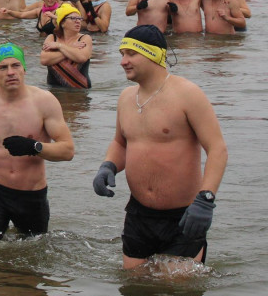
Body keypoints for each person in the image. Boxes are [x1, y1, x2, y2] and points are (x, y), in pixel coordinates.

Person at [93, 25, 227, 269]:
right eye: (122, 54)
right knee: (135, 293)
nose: (123, 62)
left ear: (153, 54)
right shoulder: (126, 97)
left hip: (184, 216)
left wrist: (206, 200)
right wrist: (108, 165)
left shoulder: (188, 94)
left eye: (131, 54)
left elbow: (217, 148)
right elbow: (120, 142)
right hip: (139, 214)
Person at [0, 43, 75, 239]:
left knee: (31, 259)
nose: (10, 72)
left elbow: (67, 150)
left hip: (31, 195)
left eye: (16, 65)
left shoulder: (44, 101)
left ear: (24, 69)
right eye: (3, 67)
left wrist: (34, 147)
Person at [40, 4, 93, 90]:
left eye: (79, 18)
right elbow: (44, 60)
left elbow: (81, 57)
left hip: (80, 91)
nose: (78, 21)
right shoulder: (51, 38)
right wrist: (70, 47)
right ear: (62, 23)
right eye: (73, 18)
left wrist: (59, 46)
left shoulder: (85, 38)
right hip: (54, 90)